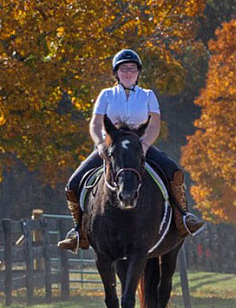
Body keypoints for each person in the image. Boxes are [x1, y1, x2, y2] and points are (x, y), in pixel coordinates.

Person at [57, 49, 205, 251]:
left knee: (174, 172)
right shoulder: (106, 95)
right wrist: (100, 144)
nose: (128, 73)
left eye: (132, 69)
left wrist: (144, 146)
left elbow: (154, 125)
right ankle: (78, 231)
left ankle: (182, 218)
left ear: (138, 73)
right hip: (110, 148)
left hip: (139, 146)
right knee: (73, 183)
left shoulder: (148, 95)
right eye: (124, 69)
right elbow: (95, 123)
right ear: (116, 73)